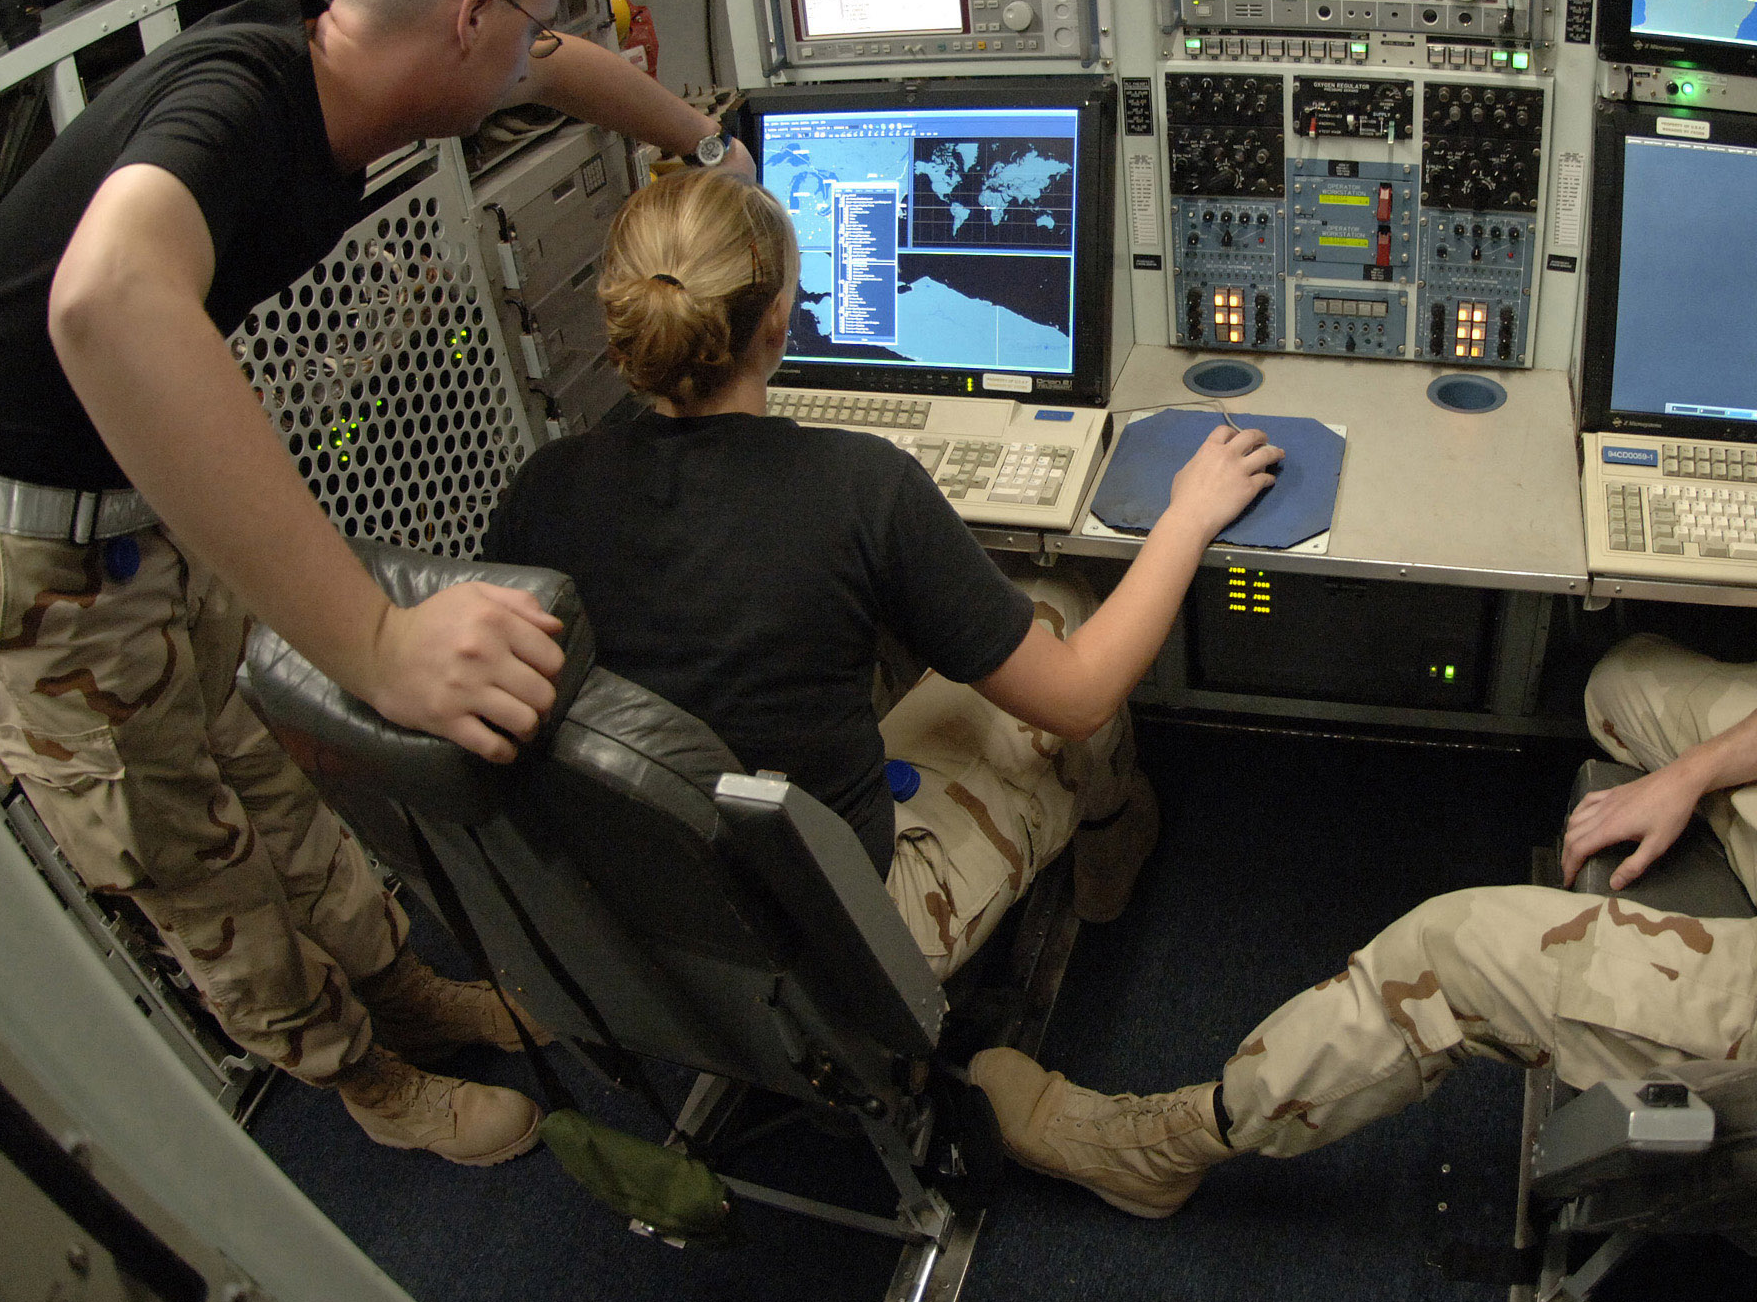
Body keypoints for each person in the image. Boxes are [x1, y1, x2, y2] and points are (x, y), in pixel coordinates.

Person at [971, 160, 1757, 1216]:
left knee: (1445, 947)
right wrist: (1685, 775)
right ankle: (1676, 771)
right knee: (1626, 683)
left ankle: (1171, 1144)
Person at [0, 0, 749, 1167]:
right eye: (520, 26)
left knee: (258, 761)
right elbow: (105, 301)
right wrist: (377, 642)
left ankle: (401, 988)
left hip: (134, 495)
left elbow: (562, 63)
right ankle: (361, 1076)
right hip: (28, 546)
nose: (537, 54)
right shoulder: (239, 101)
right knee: (184, 840)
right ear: (466, 16)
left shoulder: (353, 41)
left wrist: (701, 143)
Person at [478, 171, 1283, 981]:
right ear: (778, 324)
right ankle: (1114, 840)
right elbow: (1078, 697)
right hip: (842, 933)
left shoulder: (542, 489)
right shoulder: (857, 487)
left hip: (630, 915)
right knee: (1059, 599)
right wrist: (1187, 517)